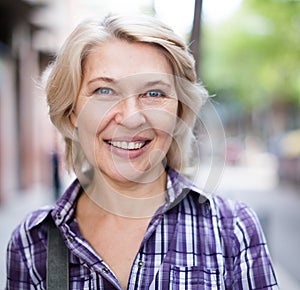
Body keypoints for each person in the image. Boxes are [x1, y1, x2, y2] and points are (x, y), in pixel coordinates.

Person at [6, 14, 278, 289]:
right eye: (104, 90)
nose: (131, 118)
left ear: (179, 111)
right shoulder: (32, 243)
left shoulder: (232, 230)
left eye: (154, 94)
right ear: (72, 111)